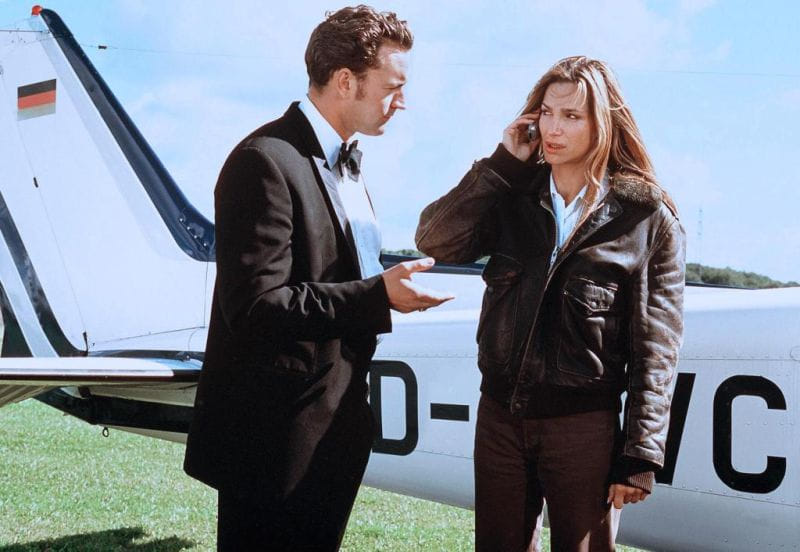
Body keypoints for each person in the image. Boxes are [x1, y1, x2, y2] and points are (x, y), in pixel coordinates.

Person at [184, 6, 452, 550]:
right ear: (345, 80)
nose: (402, 102)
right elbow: (256, 306)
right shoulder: (263, 161)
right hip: (273, 441)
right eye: (393, 87)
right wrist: (379, 295)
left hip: (335, 430)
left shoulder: (345, 163)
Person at [416, 56, 685, 552]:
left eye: (572, 116)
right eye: (546, 112)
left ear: (602, 123)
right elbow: (436, 240)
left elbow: (657, 348)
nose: (554, 128)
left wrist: (640, 455)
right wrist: (501, 165)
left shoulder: (646, 218)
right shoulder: (513, 192)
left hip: (583, 427)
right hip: (500, 418)